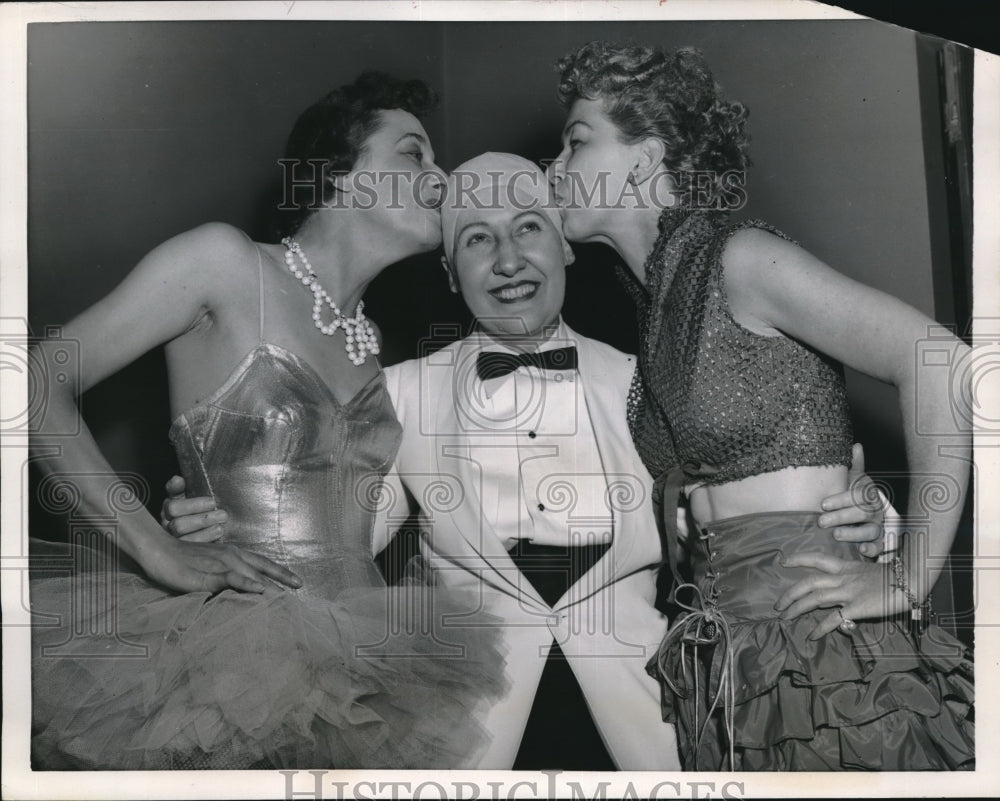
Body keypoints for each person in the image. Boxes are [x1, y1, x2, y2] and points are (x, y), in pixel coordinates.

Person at [165, 152, 890, 770]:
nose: (507, 260)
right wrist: (225, 511)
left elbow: (744, 503)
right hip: (465, 734)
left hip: (653, 726)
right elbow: (333, 543)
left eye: (529, 229)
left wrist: (863, 517)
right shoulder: (401, 391)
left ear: (566, 247)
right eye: (478, 240)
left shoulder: (652, 382)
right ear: (451, 273)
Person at [28, 72, 509, 770]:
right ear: (341, 175)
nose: (441, 179)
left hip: (367, 668)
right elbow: (36, 381)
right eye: (414, 155)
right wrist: (155, 545)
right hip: (235, 661)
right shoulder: (224, 264)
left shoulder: (374, 343)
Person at [547, 41, 975, 770]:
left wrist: (907, 573)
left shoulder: (737, 258)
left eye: (576, 144)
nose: (553, 169)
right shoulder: (653, 304)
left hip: (819, 645)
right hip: (731, 657)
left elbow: (938, 359)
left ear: (646, 159)